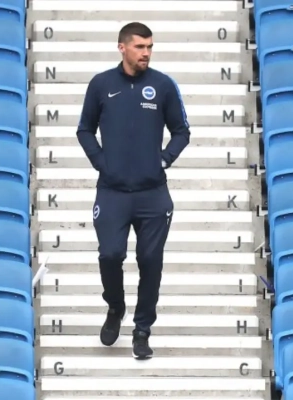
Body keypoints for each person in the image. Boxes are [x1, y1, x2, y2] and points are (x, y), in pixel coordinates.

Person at [76, 22, 191, 360]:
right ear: (122, 47)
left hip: (152, 193)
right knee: (110, 255)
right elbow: (84, 130)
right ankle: (115, 307)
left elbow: (182, 131)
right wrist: (101, 162)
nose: (146, 53)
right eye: (140, 47)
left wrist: (164, 159)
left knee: (150, 261)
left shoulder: (163, 85)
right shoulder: (101, 84)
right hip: (112, 192)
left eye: (150, 47)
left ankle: (142, 331)